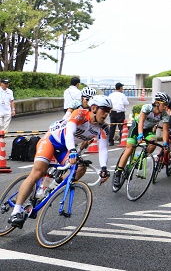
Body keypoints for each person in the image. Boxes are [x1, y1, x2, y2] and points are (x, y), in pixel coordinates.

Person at [7, 95, 112, 229]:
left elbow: (103, 149)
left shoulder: (103, 128)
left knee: (80, 168)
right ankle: (16, 211)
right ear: (94, 108)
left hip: (64, 149)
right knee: (39, 172)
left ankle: (49, 190)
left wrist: (104, 168)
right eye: (105, 110)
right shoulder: (79, 114)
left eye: (109, 111)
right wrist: (73, 150)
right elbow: (69, 133)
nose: (106, 114)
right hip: (51, 141)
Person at [112, 92, 170, 190]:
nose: (165, 107)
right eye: (164, 105)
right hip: (136, 127)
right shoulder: (147, 108)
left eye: (166, 105)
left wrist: (165, 143)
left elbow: (165, 130)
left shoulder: (164, 114)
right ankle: (118, 172)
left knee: (153, 142)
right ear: (157, 103)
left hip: (148, 130)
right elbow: (141, 122)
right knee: (129, 148)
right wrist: (140, 135)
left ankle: (139, 158)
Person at [108, 82, 130, 146]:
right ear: (120, 88)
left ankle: (111, 141)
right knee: (121, 127)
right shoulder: (122, 95)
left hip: (112, 112)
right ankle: (121, 140)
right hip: (120, 112)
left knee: (112, 127)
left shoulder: (111, 95)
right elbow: (126, 103)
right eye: (122, 87)